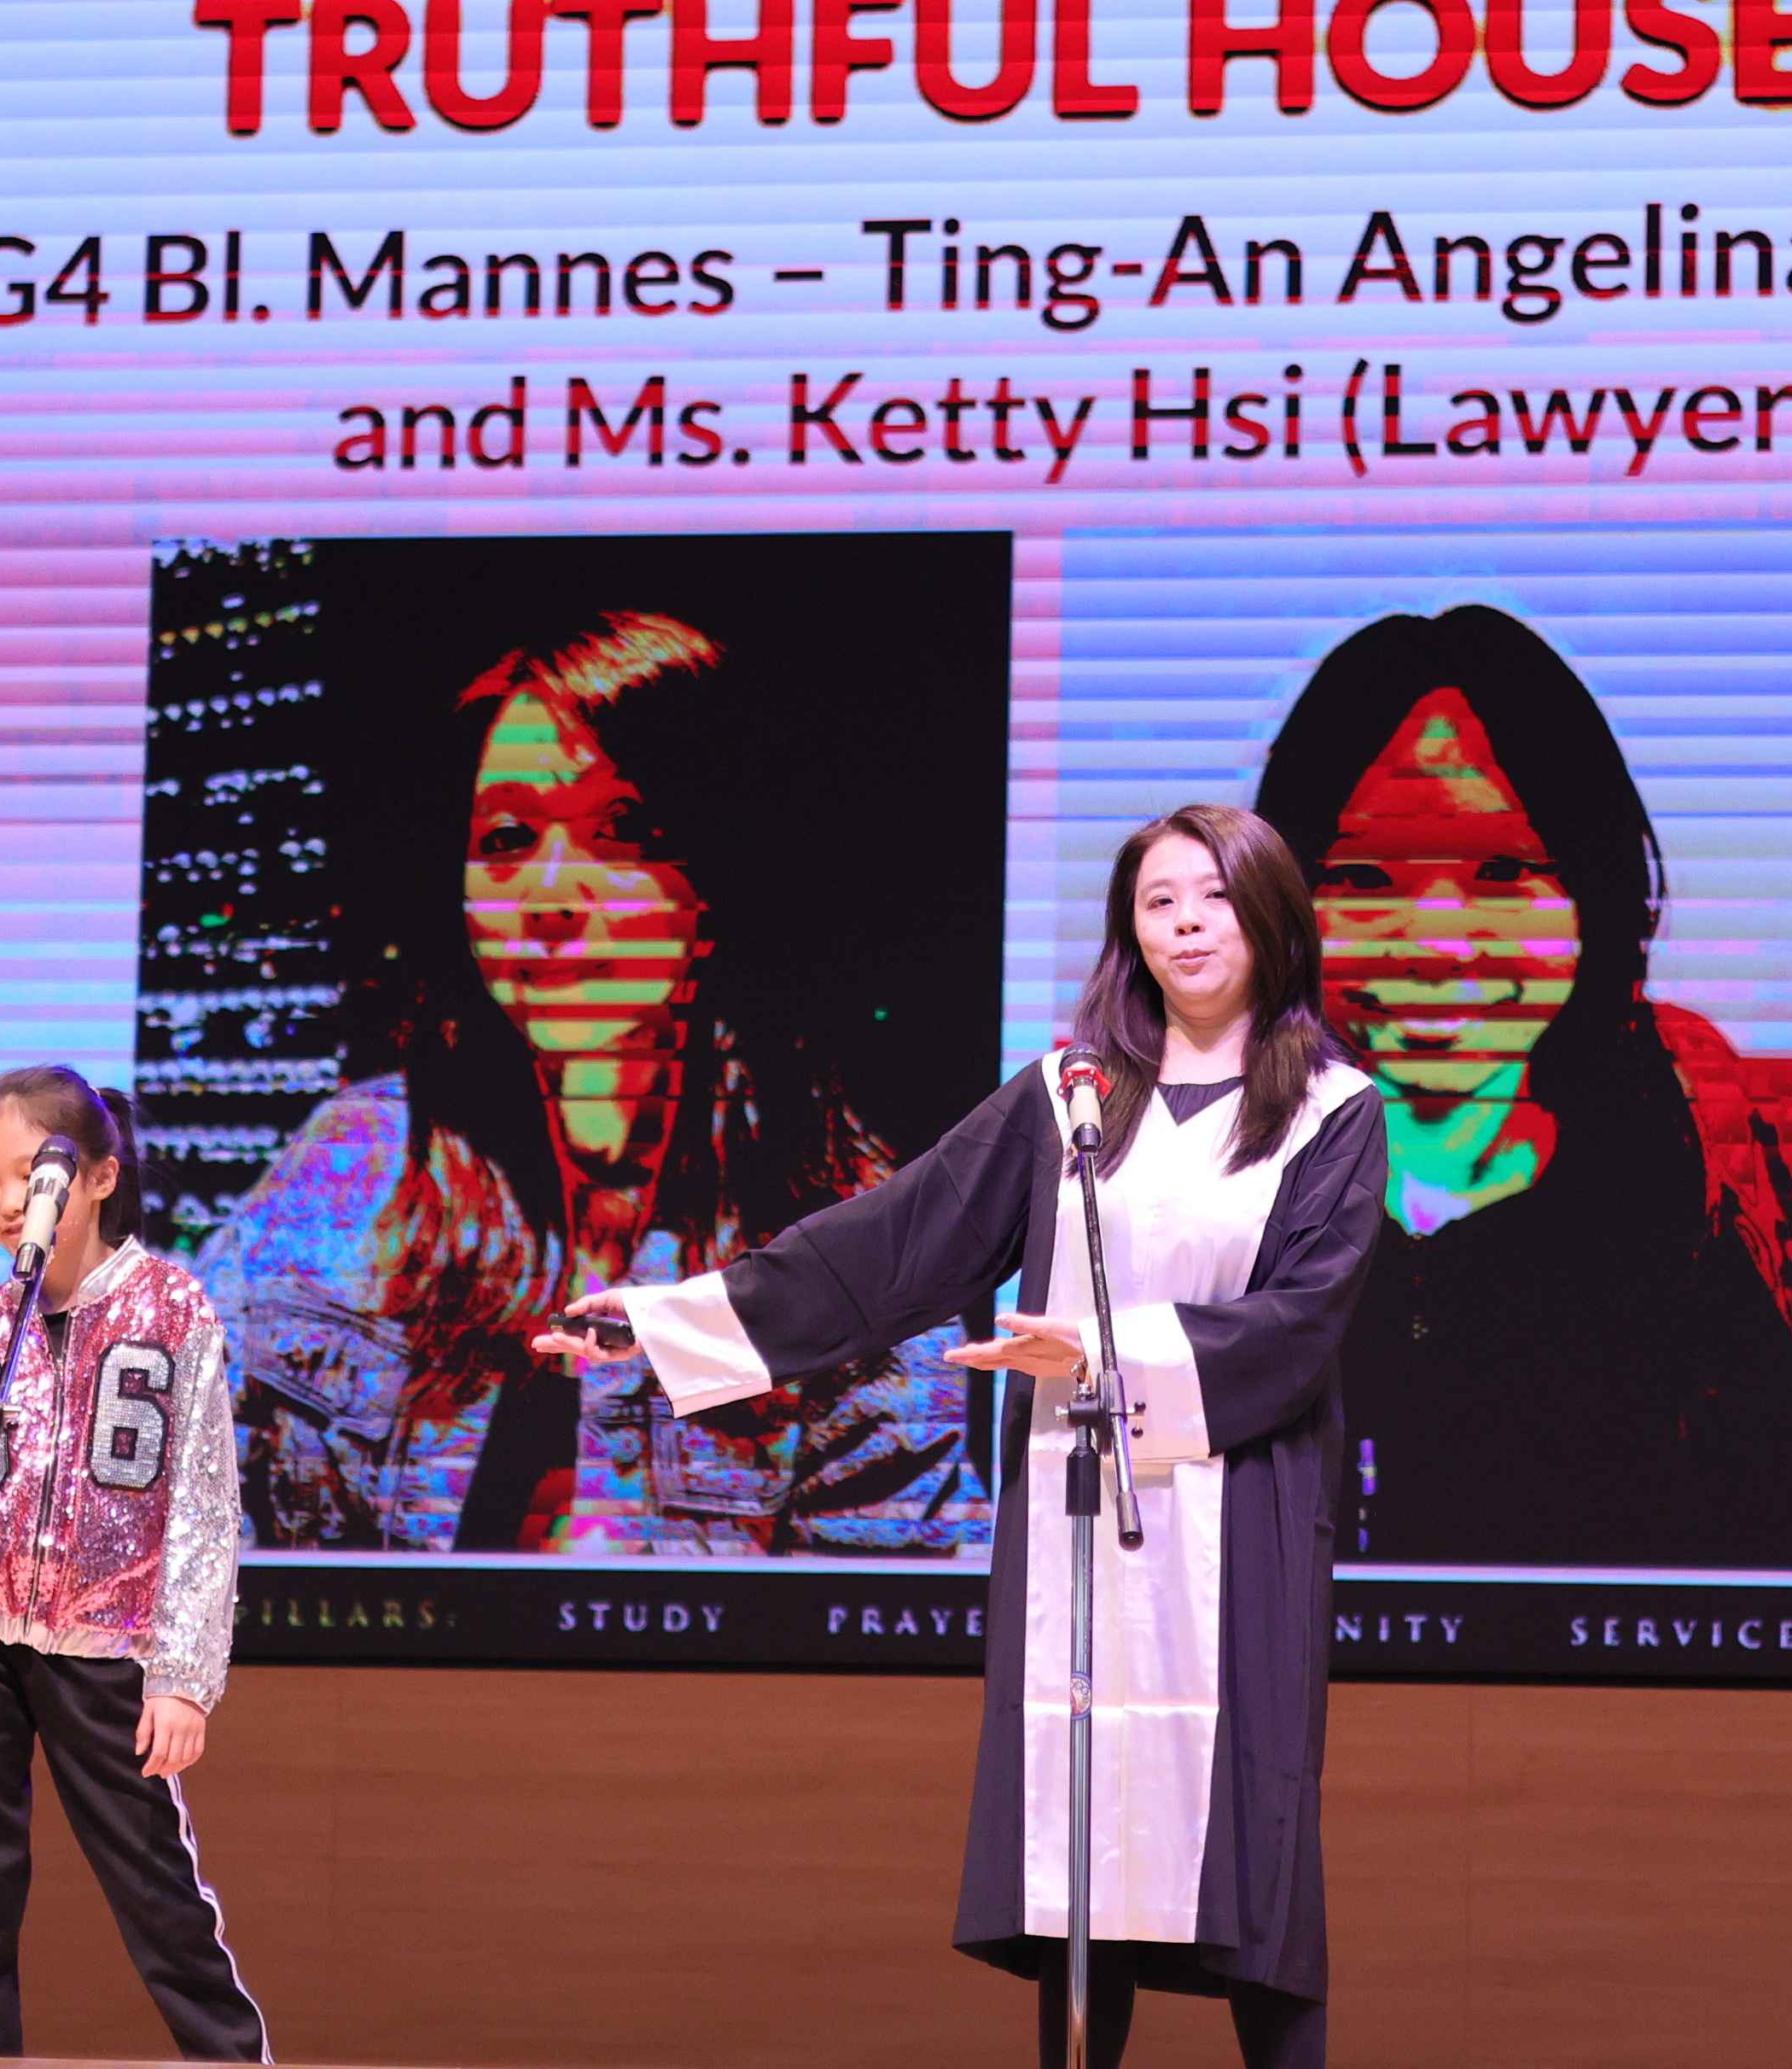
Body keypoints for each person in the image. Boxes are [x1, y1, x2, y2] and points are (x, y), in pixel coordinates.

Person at [540, 803, 1385, 2069]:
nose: (1188, 925)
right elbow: (894, 1244)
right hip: (1074, 1511)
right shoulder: (1072, 1094)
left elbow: (1300, 1323)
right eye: (1158, 903)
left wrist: (1097, 1354)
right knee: (1083, 1847)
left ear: (1270, 914)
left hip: (1241, 1512)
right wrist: (668, 1326)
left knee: (1254, 1851)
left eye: (1214, 897)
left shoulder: (1333, 1110)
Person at [197, 610, 980, 1555]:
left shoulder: (849, 1225)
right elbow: (186, 1488)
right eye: (507, 838)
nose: (553, 897)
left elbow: (883, 1599)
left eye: (624, 832)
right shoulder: (350, 1164)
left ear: (712, 877)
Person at [1253, 607, 1792, 1568]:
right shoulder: (1197, 1168)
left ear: (1595, 891)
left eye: (1502, 871)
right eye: (1364, 877)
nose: (1438, 946)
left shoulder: (1718, 1187)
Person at [0, 1065, 268, 2060]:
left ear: (101, 1177)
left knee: (154, 1888)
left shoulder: (173, 1308)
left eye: (31, 1177)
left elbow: (205, 1502)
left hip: (105, 1645)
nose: (7, 1204)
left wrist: (182, 1676)